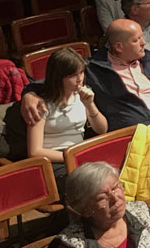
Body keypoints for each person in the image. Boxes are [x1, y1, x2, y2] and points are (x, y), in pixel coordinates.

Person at [22, 19, 150, 132]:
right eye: (137, 40)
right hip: (132, 137)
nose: (144, 42)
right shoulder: (92, 69)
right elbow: (53, 80)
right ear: (119, 47)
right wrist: (28, 94)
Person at [25, 47, 107, 188]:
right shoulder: (42, 104)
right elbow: (34, 151)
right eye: (73, 75)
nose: (80, 79)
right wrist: (70, 157)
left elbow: (102, 129)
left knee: (110, 177)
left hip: (79, 156)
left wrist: (90, 105)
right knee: (89, 186)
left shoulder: (82, 94)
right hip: (54, 161)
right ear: (59, 77)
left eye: (81, 72)